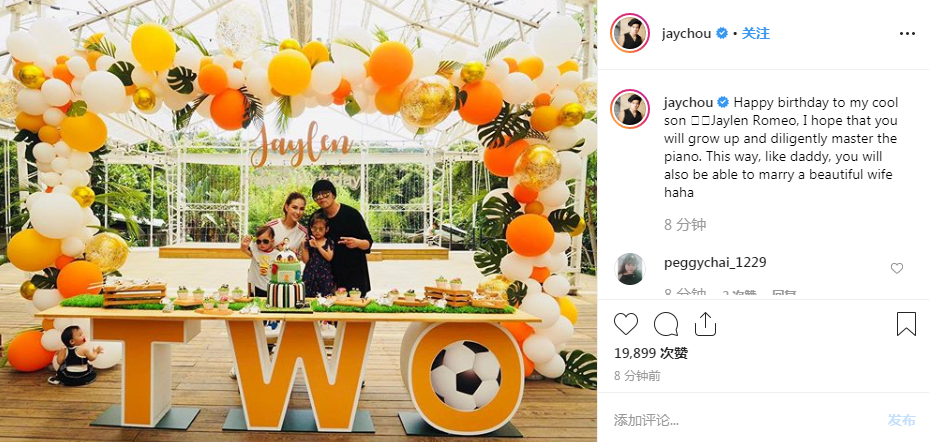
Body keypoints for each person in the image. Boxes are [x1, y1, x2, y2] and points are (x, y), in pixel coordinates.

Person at [310, 180, 373, 294]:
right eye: (317, 195)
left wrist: (357, 243)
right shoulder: (316, 218)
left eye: (325, 193)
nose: (321, 197)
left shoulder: (351, 214)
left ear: (333, 195)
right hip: (327, 277)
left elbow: (368, 243)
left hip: (354, 274)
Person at [302, 212, 336, 296]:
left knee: (325, 298)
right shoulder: (308, 242)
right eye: (314, 228)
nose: (317, 231)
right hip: (310, 275)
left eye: (321, 229)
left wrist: (317, 246)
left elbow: (329, 257)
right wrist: (304, 246)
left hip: (324, 276)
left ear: (326, 229)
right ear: (311, 228)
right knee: (308, 298)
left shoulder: (328, 242)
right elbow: (305, 260)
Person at [241, 225, 277, 298]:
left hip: (271, 287)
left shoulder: (277, 254)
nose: (261, 244)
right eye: (258, 241)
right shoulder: (255, 249)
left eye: (265, 241)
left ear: (272, 241)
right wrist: (244, 244)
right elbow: (244, 249)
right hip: (257, 287)